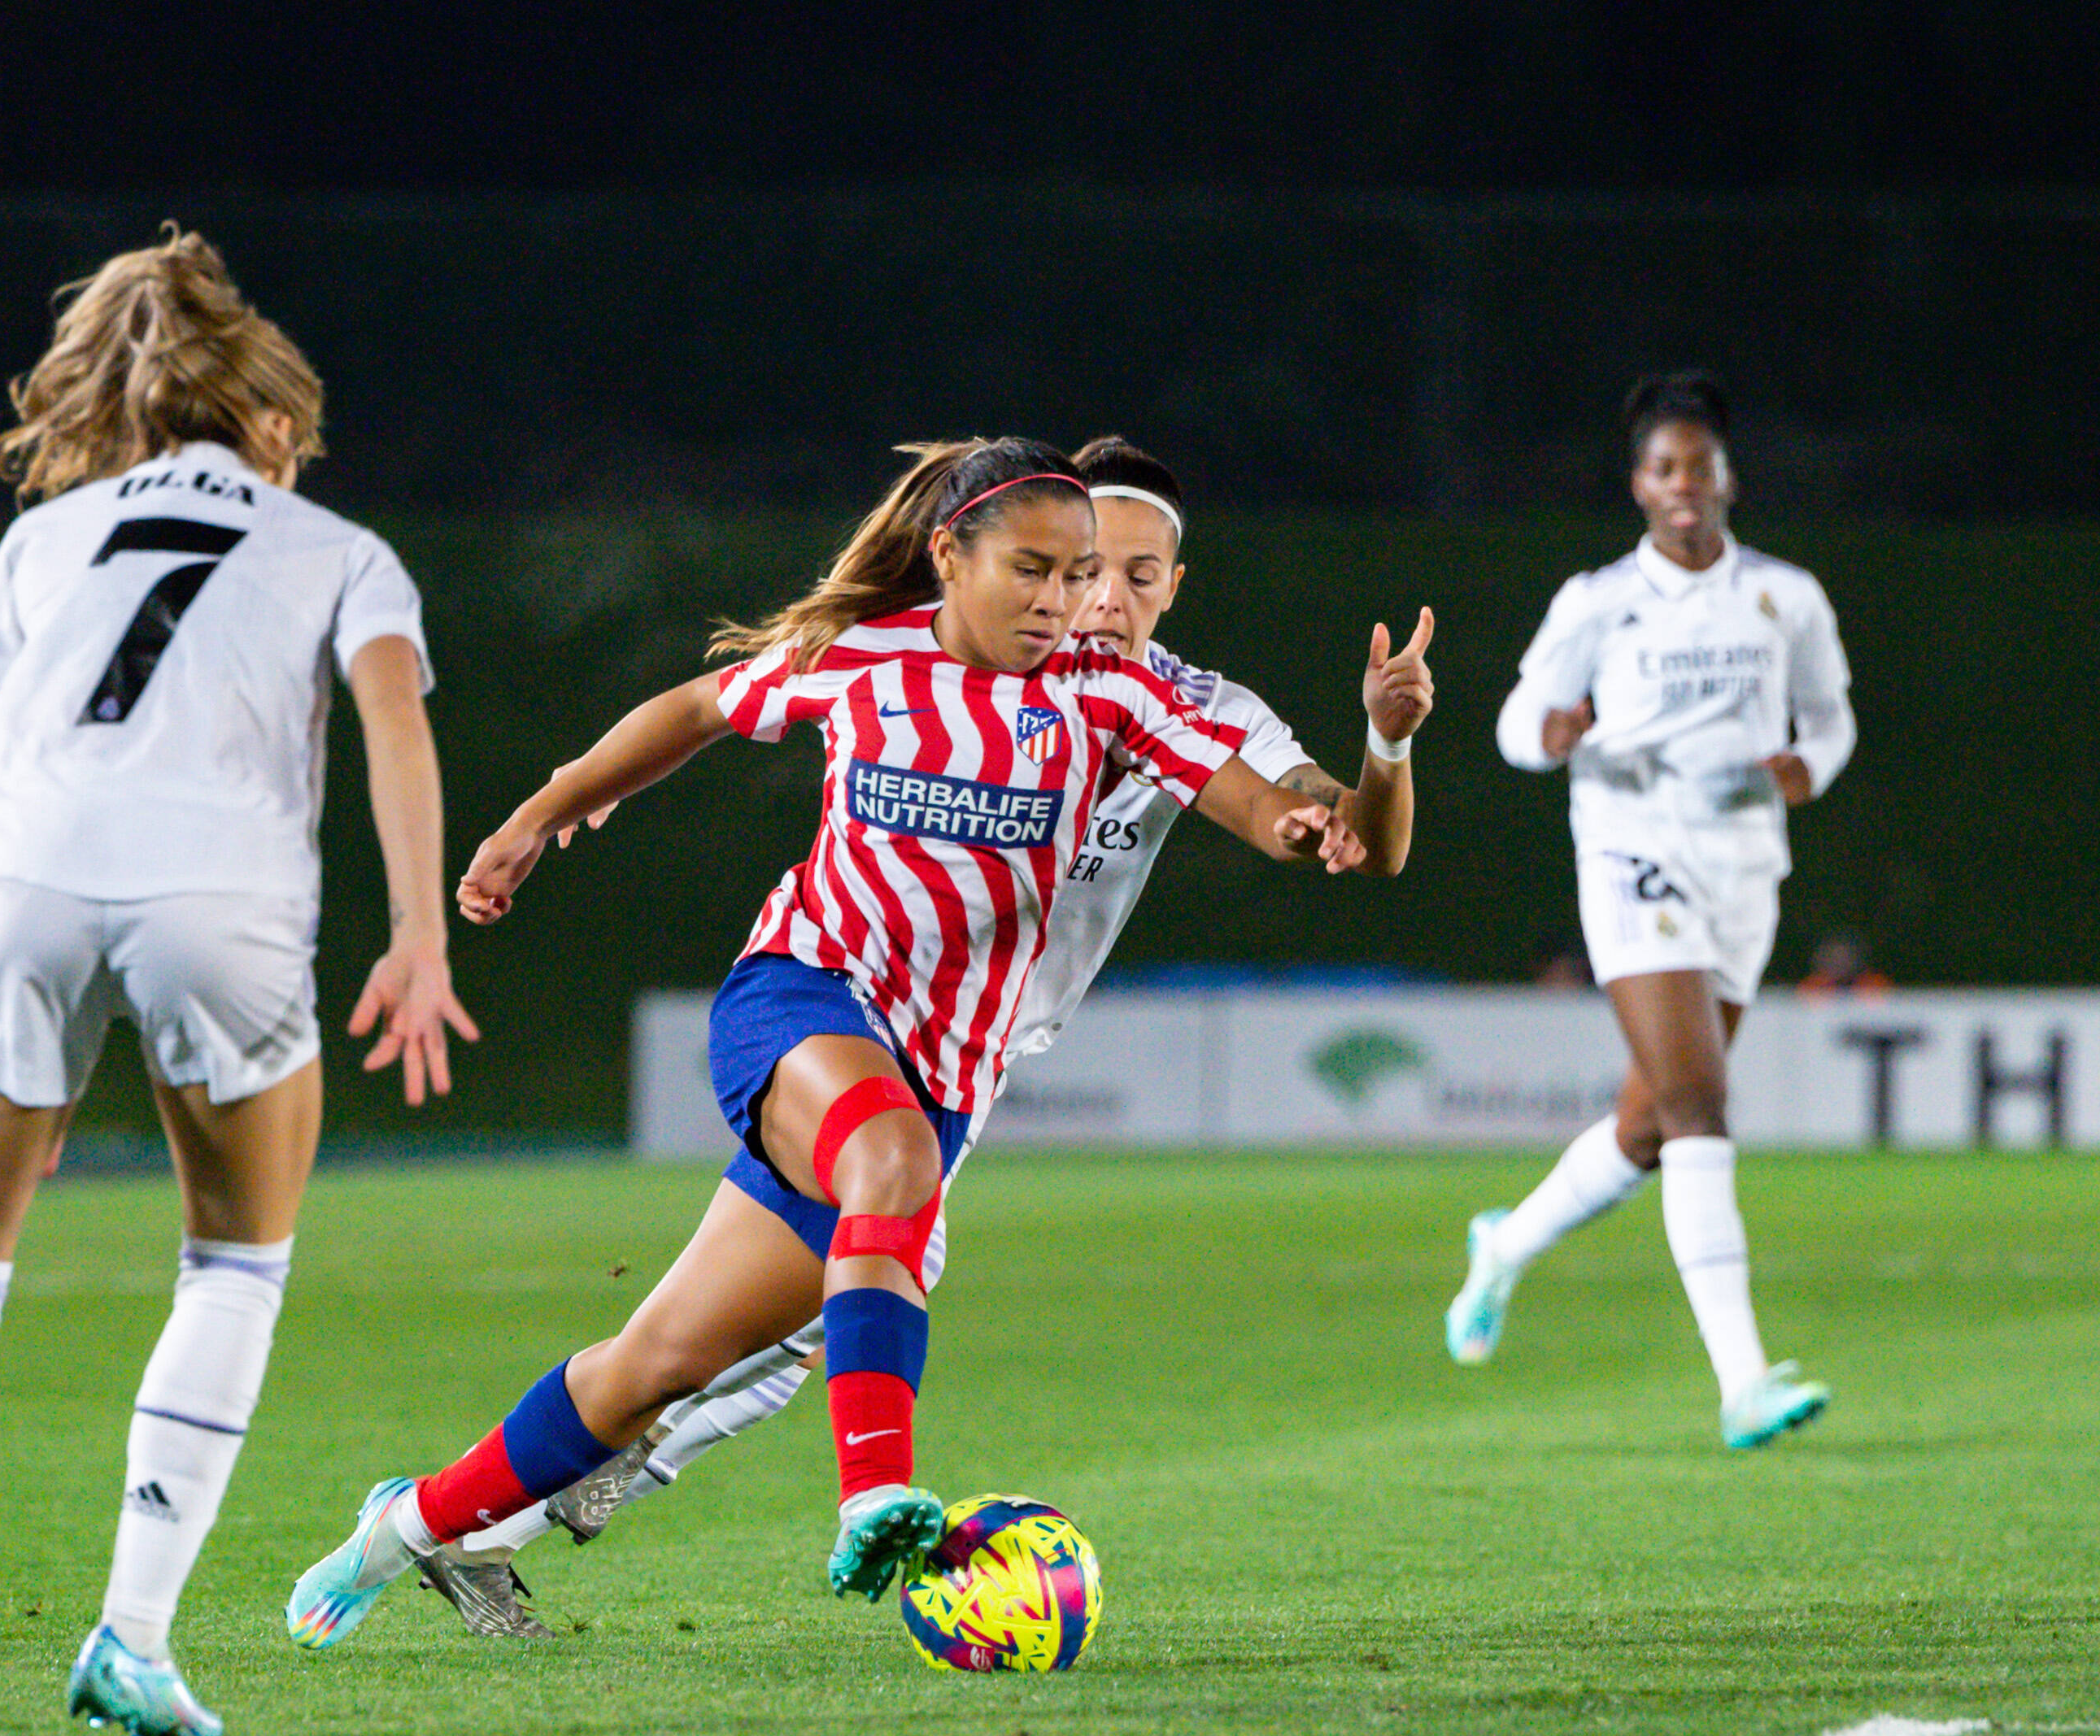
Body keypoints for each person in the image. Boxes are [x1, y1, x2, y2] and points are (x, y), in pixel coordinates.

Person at [282, 437, 1362, 1648]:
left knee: (658, 1362)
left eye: (1080, 578)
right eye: (1037, 570)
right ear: (949, 554)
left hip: (944, 1072)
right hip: (800, 997)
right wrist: (549, 807)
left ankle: (410, 1525)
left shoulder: (1111, 699)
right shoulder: (866, 657)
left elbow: (1260, 803)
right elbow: (698, 706)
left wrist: (1331, 804)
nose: (1064, 603)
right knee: (888, 1163)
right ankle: (877, 1496)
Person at [0, 228, 474, 1736]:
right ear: (276, 426)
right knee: (234, 1264)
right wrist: (417, 936)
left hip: (18, 882)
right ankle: (136, 1641)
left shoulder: (45, 537)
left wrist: (6, 996)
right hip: (220, 894)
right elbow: (393, 725)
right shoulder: (338, 547)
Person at [1447, 372, 1855, 1448]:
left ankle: (1506, 1243)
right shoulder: (1598, 602)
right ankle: (1745, 1380)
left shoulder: (1787, 597)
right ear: (1640, 484)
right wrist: (1551, 734)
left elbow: (1832, 718)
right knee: (1695, 1109)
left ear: (1728, 478)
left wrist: (1808, 766)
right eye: (1664, 468)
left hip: (1744, 867)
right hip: (1632, 852)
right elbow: (1516, 719)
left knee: (1645, 1121)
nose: (1684, 486)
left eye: (1701, 467)